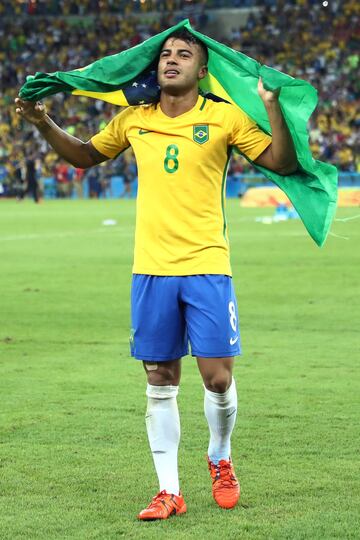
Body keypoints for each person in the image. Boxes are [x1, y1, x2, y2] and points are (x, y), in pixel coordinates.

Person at [15, 28, 297, 520]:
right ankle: (169, 490)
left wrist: (271, 105)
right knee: (160, 379)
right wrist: (43, 122)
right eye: (166, 53)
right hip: (150, 268)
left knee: (216, 378)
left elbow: (282, 162)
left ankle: (220, 457)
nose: (172, 59)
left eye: (184, 54)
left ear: (202, 69)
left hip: (208, 264)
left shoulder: (224, 116)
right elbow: (85, 155)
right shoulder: (133, 120)